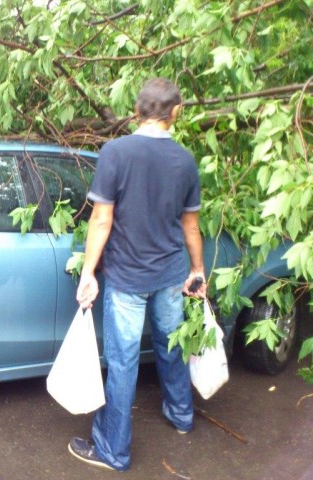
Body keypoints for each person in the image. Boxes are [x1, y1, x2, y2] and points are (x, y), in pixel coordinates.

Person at [69, 78, 207, 472]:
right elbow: (191, 226)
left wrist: (89, 271)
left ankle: (114, 449)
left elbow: (101, 218)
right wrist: (197, 270)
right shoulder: (185, 159)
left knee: (123, 361)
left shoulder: (115, 151)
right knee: (171, 347)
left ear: (137, 109)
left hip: (127, 280)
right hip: (168, 274)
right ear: (174, 112)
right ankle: (181, 416)